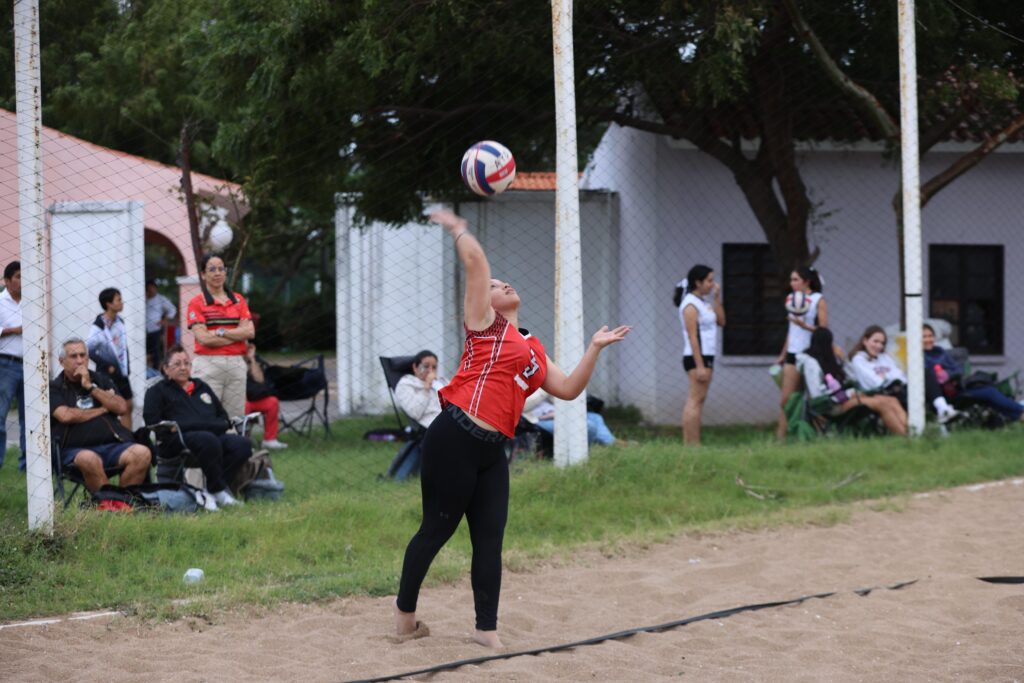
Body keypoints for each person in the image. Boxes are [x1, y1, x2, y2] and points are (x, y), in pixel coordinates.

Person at [395, 208, 631, 649]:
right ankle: (405, 619)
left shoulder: (532, 347)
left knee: (490, 540)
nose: (503, 285)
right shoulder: (483, 324)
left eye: (506, 283)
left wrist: (594, 348)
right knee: (436, 530)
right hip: (454, 438)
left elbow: (568, 389)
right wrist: (458, 228)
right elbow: (476, 264)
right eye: (496, 285)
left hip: (492, 451)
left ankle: (486, 630)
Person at [143, 345, 251, 511]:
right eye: (177, 364)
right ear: (165, 368)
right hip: (176, 440)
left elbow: (222, 417)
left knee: (241, 444)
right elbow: (152, 420)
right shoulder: (157, 391)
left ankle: (212, 490)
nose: (183, 367)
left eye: (186, 363)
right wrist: (202, 425)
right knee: (208, 439)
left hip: (209, 437)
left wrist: (201, 424)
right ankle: (218, 492)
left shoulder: (201, 386)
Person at [50, 338, 151, 492]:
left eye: (83, 355)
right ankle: (107, 502)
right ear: (62, 362)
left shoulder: (100, 380)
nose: (80, 361)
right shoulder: (54, 387)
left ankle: (122, 501)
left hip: (111, 445)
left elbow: (121, 407)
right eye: (74, 356)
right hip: (74, 450)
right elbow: (65, 415)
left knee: (141, 453)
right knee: (89, 459)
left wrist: (90, 387)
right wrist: (103, 409)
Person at [799, 327, 907, 436]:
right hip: (832, 406)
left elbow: (850, 378)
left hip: (845, 398)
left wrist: (843, 359)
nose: (833, 346)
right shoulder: (811, 364)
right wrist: (847, 393)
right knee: (881, 403)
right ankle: (904, 436)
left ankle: (911, 432)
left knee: (891, 400)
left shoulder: (831, 360)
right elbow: (817, 395)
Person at [186, 254, 255, 420]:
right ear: (203, 274)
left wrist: (220, 331)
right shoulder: (196, 302)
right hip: (208, 364)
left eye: (221, 269)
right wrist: (237, 334)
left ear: (225, 272)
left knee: (235, 418)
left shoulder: (238, 300)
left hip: (236, 364)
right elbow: (204, 339)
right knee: (206, 416)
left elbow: (250, 332)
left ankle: (232, 438)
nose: (217, 273)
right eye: (212, 269)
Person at [923, 324, 1022, 423]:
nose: (928, 340)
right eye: (924, 337)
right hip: (943, 396)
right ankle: (1020, 409)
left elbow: (958, 369)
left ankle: (1018, 415)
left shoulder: (940, 352)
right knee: (989, 393)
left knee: (988, 393)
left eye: (930, 336)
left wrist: (948, 374)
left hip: (957, 388)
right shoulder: (919, 356)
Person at [675, 265, 725, 445]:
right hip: (697, 357)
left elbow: (722, 321)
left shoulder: (704, 303)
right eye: (709, 280)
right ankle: (691, 444)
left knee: (699, 400)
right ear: (698, 282)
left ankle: (693, 443)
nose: (713, 284)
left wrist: (717, 298)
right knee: (694, 400)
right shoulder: (690, 304)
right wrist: (700, 365)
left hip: (706, 356)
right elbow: (692, 336)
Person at [776, 267, 827, 439]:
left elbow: (823, 330)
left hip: (810, 354)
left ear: (807, 281)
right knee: (786, 399)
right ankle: (780, 438)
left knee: (814, 398)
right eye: (791, 279)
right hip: (793, 353)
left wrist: (804, 326)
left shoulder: (818, 299)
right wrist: (783, 354)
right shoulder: (792, 299)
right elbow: (792, 331)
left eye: (796, 279)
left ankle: (822, 434)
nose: (792, 283)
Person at [86, 287, 134, 428]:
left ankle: (128, 436)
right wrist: (108, 366)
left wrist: (126, 366)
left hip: (121, 372)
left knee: (128, 406)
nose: (122, 302)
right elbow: (89, 350)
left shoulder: (120, 322)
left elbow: (123, 347)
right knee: (109, 407)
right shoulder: (98, 326)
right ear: (109, 304)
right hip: (106, 373)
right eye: (118, 299)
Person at [522, 388, 623, 447]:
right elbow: (523, 407)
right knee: (588, 426)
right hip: (538, 419)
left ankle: (610, 441)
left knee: (595, 417)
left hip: (558, 413)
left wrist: (554, 392)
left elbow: (561, 401)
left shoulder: (539, 380)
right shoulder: (521, 384)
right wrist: (544, 390)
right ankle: (583, 455)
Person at [0, 261, 26, 470]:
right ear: (7, 281)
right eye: (18, 276)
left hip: (31, 364)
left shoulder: (32, 302)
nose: (23, 281)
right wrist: (13, 330)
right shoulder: (0, 302)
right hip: (6, 364)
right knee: (1, 415)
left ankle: (27, 465)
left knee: (31, 417)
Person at [244, 341, 287, 449]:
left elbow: (259, 379)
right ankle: (243, 439)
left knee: (272, 402)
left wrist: (251, 359)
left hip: (255, 398)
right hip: (241, 399)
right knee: (244, 405)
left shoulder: (255, 360)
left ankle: (270, 439)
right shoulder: (230, 359)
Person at [849, 325, 907, 402]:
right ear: (865, 341)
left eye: (882, 343)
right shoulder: (858, 359)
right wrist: (889, 378)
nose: (879, 346)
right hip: (877, 395)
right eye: (875, 341)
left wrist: (886, 377)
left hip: (897, 390)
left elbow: (900, 376)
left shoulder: (884, 357)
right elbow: (875, 382)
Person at [394, 350, 448, 430]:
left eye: (434, 367)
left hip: (452, 419)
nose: (430, 371)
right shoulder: (405, 385)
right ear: (415, 367)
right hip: (433, 426)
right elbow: (415, 412)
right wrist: (426, 388)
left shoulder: (442, 381)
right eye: (426, 366)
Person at [145, 279, 176, 370]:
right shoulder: (143, 298)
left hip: (155, 329)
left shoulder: (160, 299)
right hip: (143, 329)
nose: (151, 290)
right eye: (149, 288)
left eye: (153, 288)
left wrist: (164, 320)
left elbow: (172, 309)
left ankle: (156, 370)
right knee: (145, 351)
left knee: (156, 351)